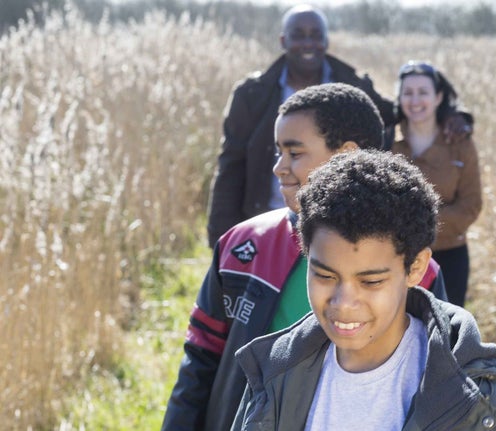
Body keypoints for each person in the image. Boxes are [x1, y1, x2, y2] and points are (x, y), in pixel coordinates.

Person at [162, 84, 447, 431]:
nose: (279, 168)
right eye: (278, 153)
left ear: (346, 154)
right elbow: (200, 360)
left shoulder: (417, 271)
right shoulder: (241, 246)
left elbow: (440, 380)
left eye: (294, 153)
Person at [231, 150, 496, 430]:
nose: (343, 303)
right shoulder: (273, 376)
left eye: (370, 282)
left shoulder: (486, 404)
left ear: (416, 268)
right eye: (325, 276)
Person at [206, 4, 472, 248]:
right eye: (299, 35)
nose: (308, 42)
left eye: (315, 35)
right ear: (283, 41)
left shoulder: (352, 86)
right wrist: (221, 239)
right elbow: (231, 165)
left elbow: (400, 113)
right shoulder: (252, 94)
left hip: (334, 228)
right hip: (267, 226)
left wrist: (452, 115)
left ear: (326, 41)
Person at [391, 61, 483, 307]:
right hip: (397, 258)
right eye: (407, 93)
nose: (415, 100)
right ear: (398, 97)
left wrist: (418, 226)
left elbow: (471, 206)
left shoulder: (460, 142)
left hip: (449, 256)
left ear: (438, 97)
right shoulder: (387, 141)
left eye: (423, 92)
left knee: (445, 336)